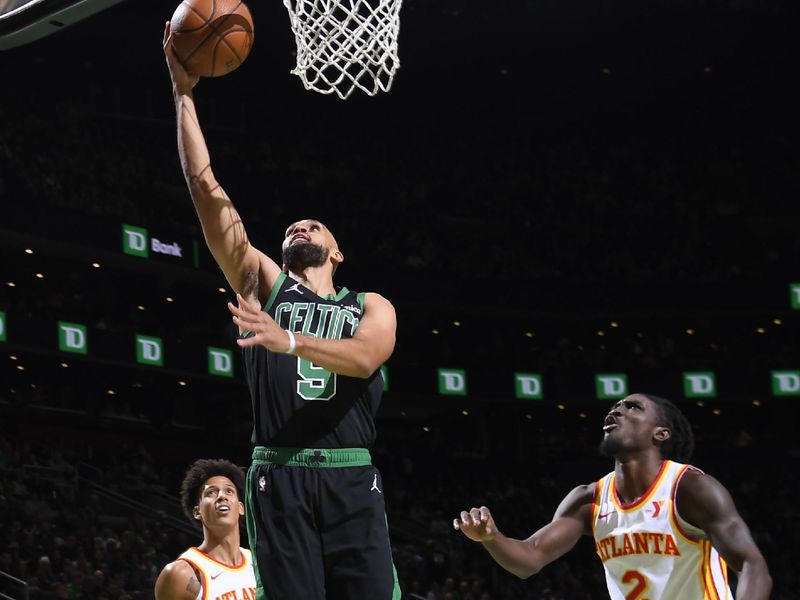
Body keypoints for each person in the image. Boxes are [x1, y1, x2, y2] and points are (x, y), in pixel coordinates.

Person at [163, 22, 400, 600]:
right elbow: (205, 188)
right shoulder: (267, 287)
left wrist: (288, 342)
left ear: (336, 252)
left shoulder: (370, 304)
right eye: (293, 225)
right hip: (279, 472)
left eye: (314, 224)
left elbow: (367, 357)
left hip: (350, 470)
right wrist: (183, 94)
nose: (300, 224)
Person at [454, 393, 772, 599]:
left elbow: (750, 563)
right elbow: (530, 559)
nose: (616, 411)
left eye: (632, 407)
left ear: (660, 433)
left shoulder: (689, 488)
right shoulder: (587, 500)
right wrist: (491, 538)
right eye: (614, 407)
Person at [155, 459, 256, 600]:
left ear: (241, 507)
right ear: (197, 511)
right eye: (211, 492)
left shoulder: (258, 564)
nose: (222, 496)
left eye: (229, 491)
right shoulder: (182, 574)